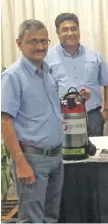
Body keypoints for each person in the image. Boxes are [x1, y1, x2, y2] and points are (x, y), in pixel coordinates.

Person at [1, 19, 63, 223]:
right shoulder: (13, 76)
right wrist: (20, 162)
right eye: (33, 41)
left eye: (44, 41)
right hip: (32, 159)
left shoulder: (47, 71)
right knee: (32, 220)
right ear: (19, 44)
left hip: (55, 157)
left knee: (51, 217)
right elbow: (5, 122)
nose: (40, 46)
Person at [46, 13, 108, 137]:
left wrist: (106, 112)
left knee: (95, 155)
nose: (70, 33)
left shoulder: (94, 56)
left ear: (79, 30)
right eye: (65, 30)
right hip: (63, 117)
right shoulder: (47, 58)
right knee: (66, 155)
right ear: (57, 33)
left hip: (92, 117)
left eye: (73, 28)